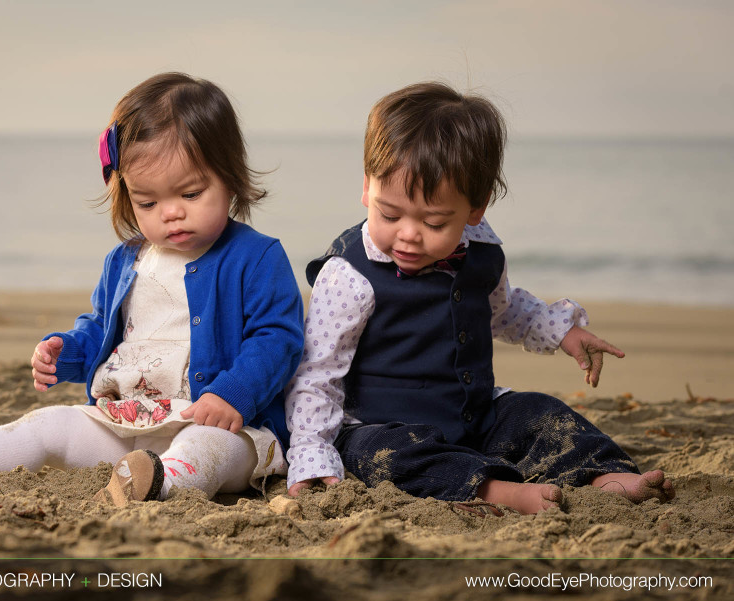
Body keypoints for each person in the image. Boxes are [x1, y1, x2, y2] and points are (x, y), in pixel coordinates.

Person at [0, 72, 303, 504]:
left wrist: (232, 394)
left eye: (190, 194)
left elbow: (278, 338)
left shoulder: (256, 257)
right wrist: (66, 351)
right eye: (148, 201)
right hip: (128, 420)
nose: (171, 213)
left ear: (230, 175)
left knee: (204, 449)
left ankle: (157, 483)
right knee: (49, 424)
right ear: (127, 194)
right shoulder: (127, 260)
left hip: (226, 425)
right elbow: (103, 329)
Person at [284, 82, 674, 515]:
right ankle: (498, 491)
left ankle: (606, 474)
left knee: (539, 411)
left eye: (433, 221)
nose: (408, 234)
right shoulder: (349, 276)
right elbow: (317, 373)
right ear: (366, 188)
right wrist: (309, 452)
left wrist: (563, 331)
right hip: (379, 423)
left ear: (475, 208)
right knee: (385, 456)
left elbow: (503, 311)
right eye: (389, 214)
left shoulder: (483, 253)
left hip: (472, 416)